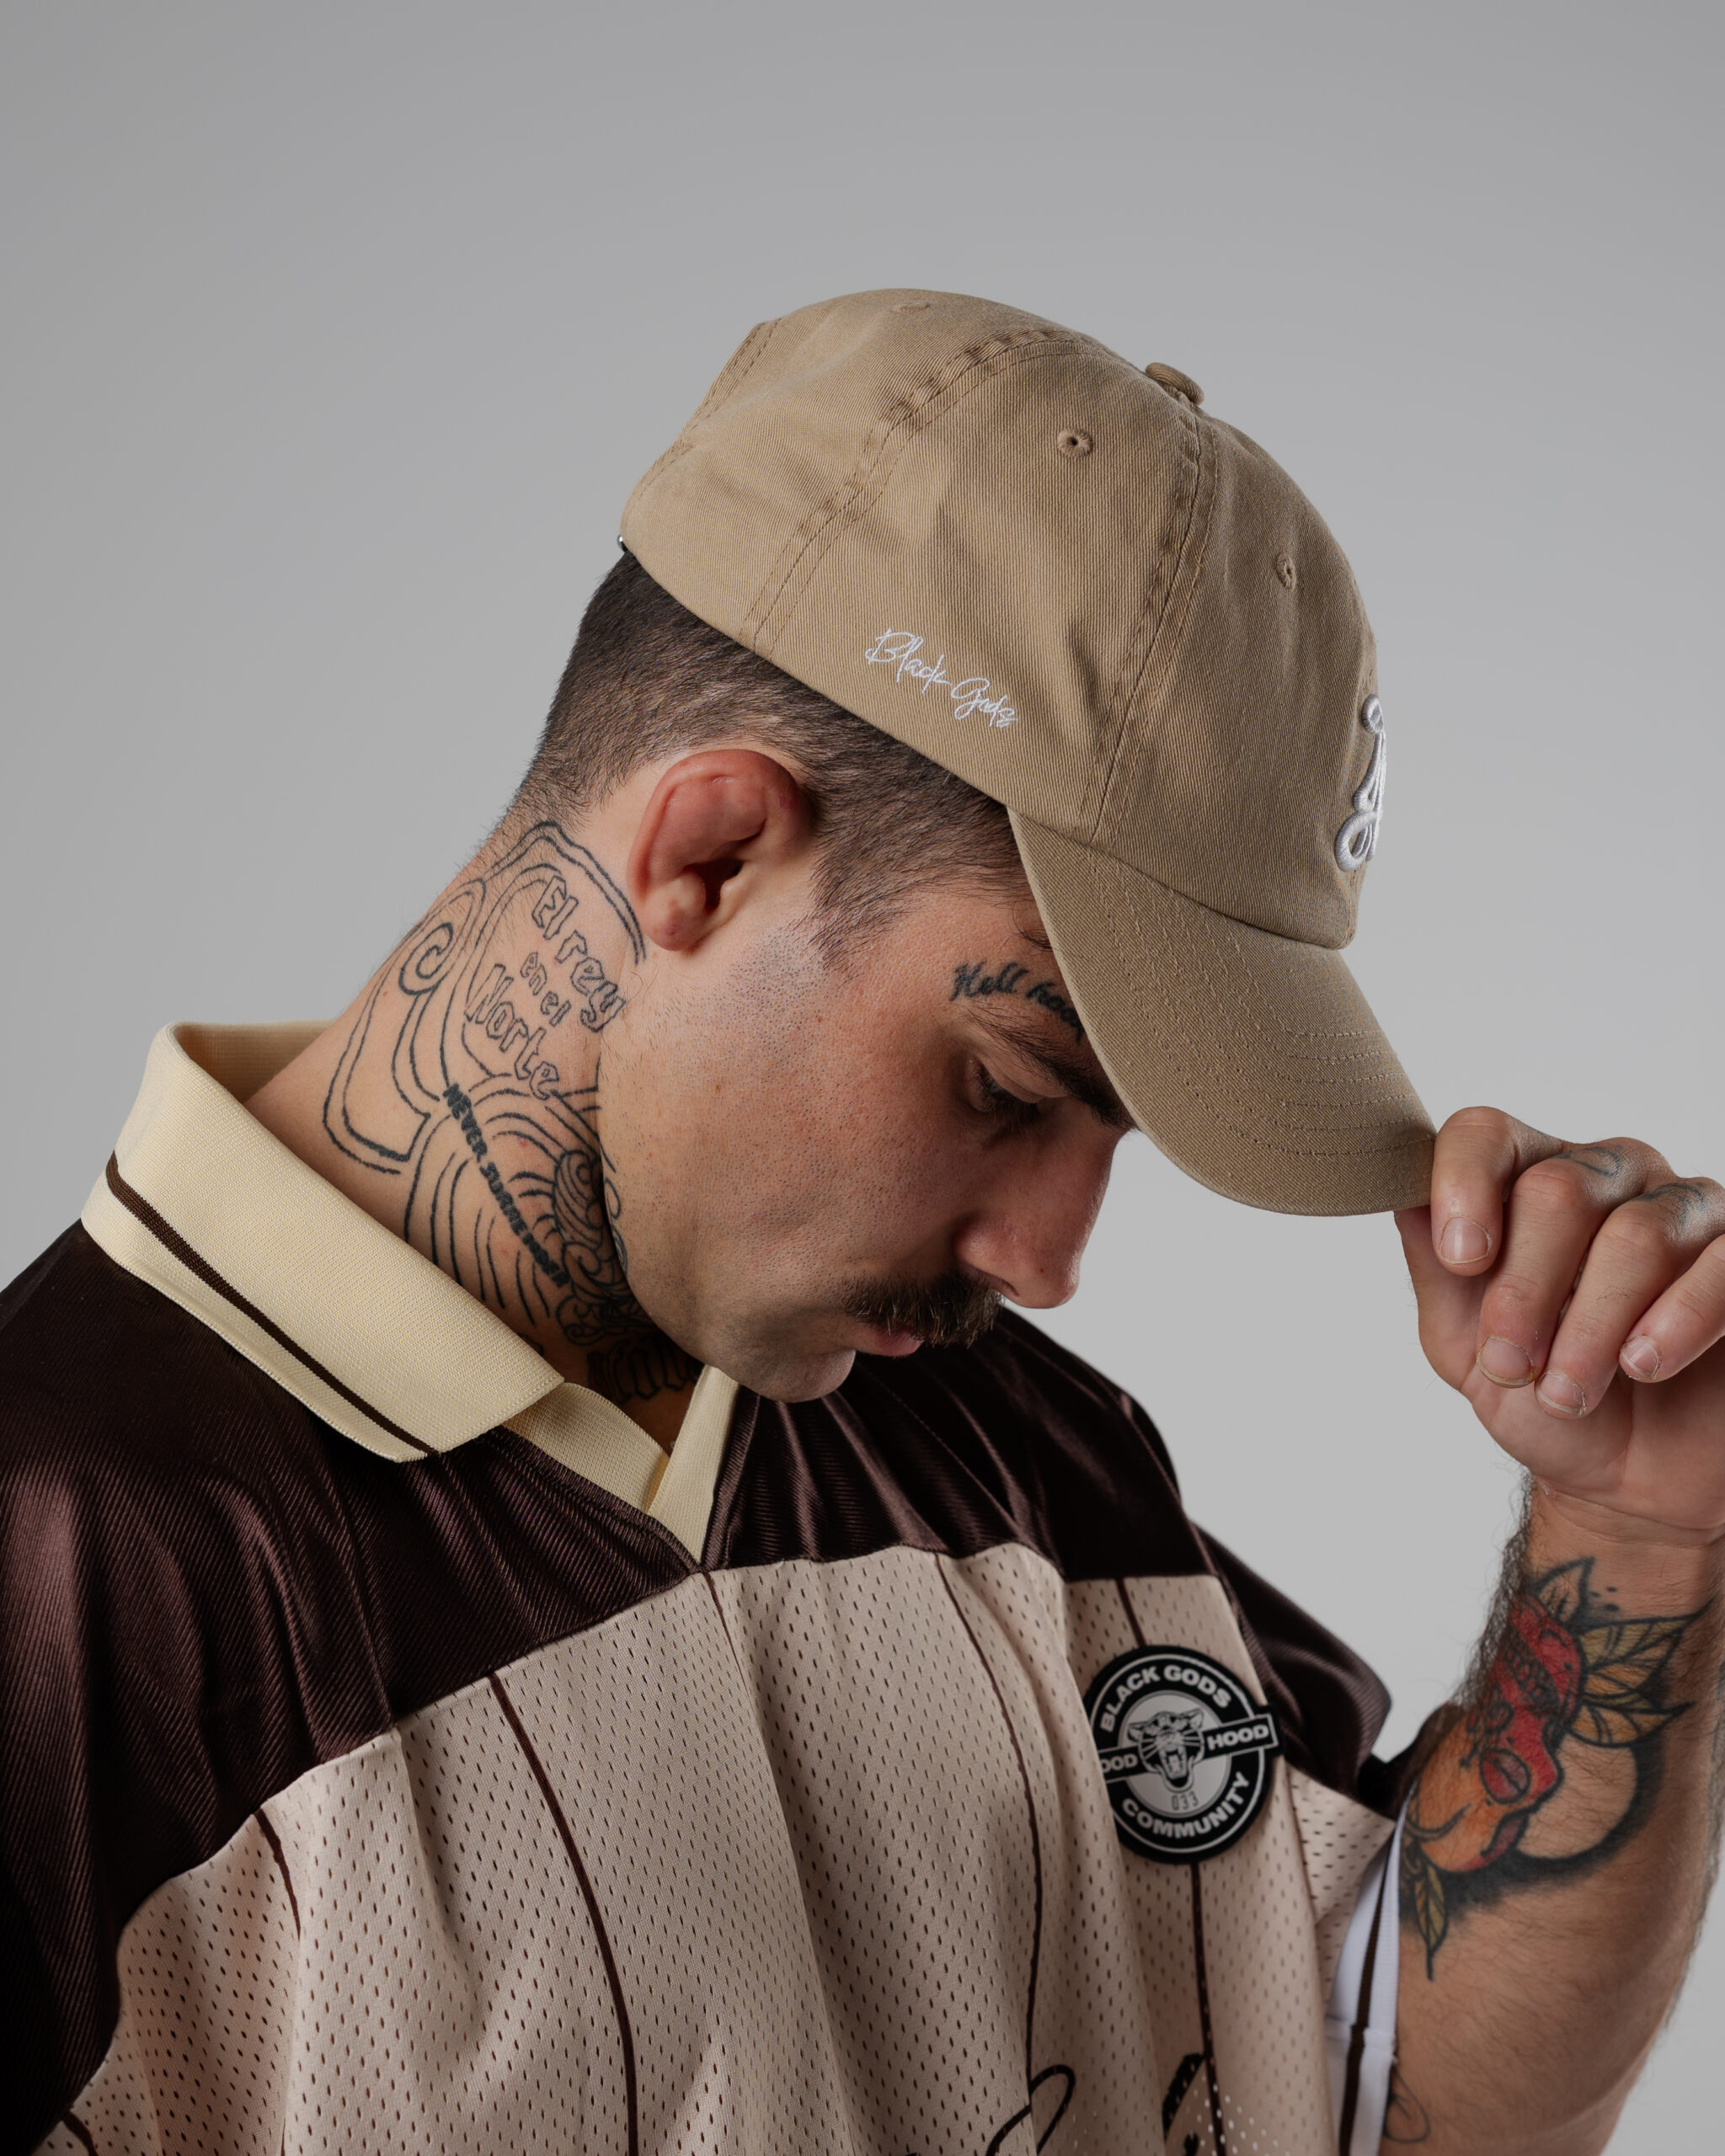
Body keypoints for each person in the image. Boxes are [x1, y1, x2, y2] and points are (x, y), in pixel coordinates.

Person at [3, 289, 1719, 2156]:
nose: (1050, 1259)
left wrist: (1635, 1535)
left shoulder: (1016, 1453)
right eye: (1006, 1085)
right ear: (709, 855)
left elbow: (1383, 2106)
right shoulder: (69, 1569)